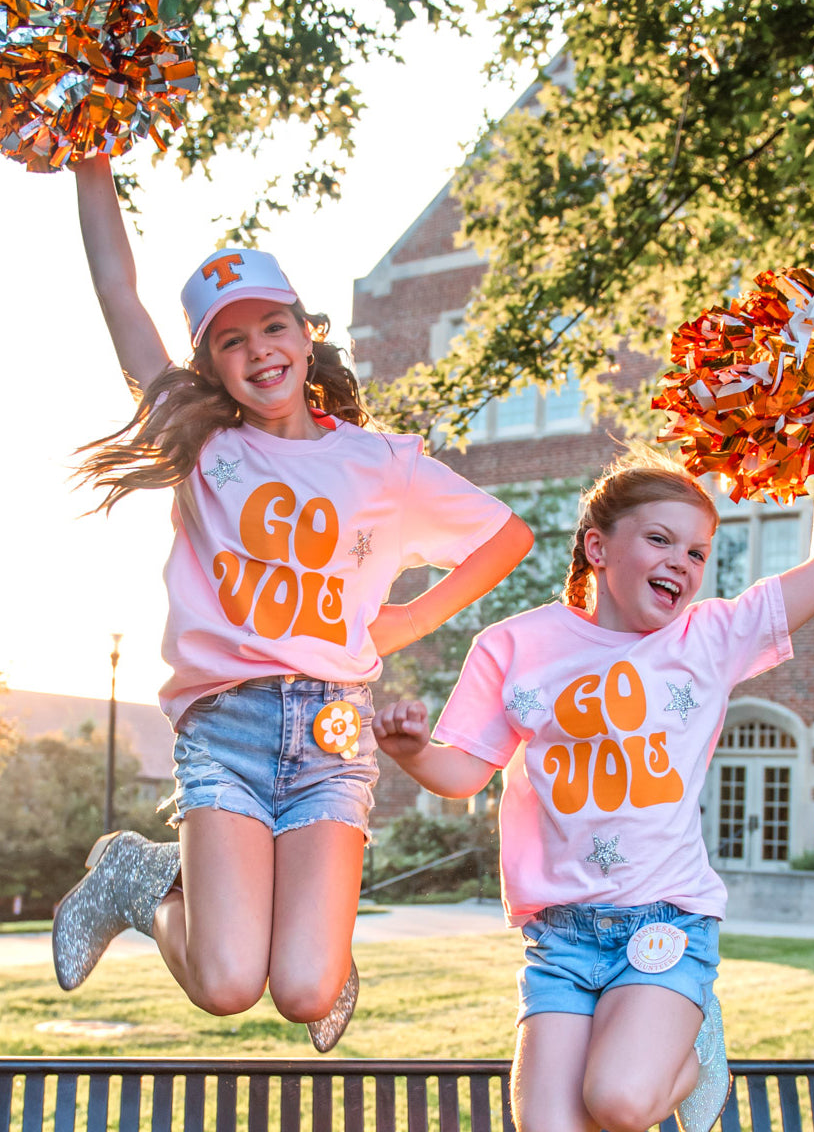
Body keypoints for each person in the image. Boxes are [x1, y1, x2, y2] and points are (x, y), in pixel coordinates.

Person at [52, 153, 534, 1052]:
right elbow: (121, 297)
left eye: (271, 326)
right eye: (231, 342)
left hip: (331, 738)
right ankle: (140, 878)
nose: (257, 351)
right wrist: (91, 161)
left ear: (305, 334)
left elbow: (506, 538)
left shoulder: (380, 462)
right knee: (229, 983)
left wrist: (406, 621)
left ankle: (314, 946)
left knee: (308, 992)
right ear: (210, 364)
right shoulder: (202, 449)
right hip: (225, 731)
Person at [373, 426, 814, 1131]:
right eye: (660, 540)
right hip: (561, 940)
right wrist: (413, 750)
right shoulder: (514, 647)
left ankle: (686, 1048)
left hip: (666, 923)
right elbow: (463, 773)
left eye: (697, 552)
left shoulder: (711, 637)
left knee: (620, 1103)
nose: (683, 563)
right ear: (597, 548)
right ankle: (660, 1046)